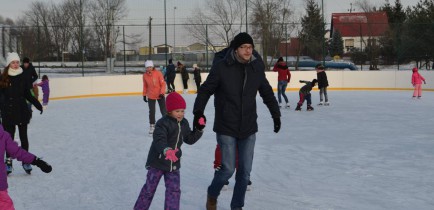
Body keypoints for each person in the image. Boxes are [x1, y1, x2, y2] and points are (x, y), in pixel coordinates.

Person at [193, 32, 281, 210]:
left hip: (248, 126)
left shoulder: (256, 67)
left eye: (250, 47)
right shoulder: (222, 67)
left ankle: (237, 207)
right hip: (226, 125)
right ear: (236, 49)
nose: (248, 50)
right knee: (227, 169)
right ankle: (212, 193)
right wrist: (198, 112)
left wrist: (275, 114)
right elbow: (205, 90)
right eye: (243, 47)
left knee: (244, 172)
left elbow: (266, 91)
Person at [134, 92, 206, 210]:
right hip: (157, 162)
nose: (180, 114)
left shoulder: (184, 123)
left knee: (174, 191)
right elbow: (159, 140)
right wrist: (166, 150)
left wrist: (199, 129)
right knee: (149, 190)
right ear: (169, 110)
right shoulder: (162, 123)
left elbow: (189, 139)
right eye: (177, 111)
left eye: (182, 111)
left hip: (174, 164)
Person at [0, 52, 43, 175]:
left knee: (24, 137)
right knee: (9, 139)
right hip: (8, 112)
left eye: (17, 62)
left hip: (21, 110)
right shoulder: (3, 77)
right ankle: (8, 162)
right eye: (13, 62)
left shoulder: (23, 76)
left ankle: (26, 161)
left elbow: (27, 94)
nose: (15, 64)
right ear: (9, 64)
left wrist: (37, 103)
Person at [0, 126, 52, 209]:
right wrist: (36, 161)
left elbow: (17, 151)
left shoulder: (3, 135)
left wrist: (36, 161)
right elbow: (17, 151)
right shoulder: (3, 135)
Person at [142, 60, 166, 134]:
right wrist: (144, 94)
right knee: (152, 111)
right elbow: (145, 85)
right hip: (151, 95)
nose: (149, 68)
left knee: (163, 110)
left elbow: (163, 84)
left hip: (160, 95)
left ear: (152, 67)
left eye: (150, 67)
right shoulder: (144, 75)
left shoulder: (158, 73)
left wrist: (162, 93)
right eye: (147, 67)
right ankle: (152, 125)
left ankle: (166, 124)